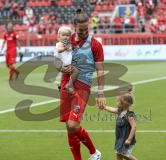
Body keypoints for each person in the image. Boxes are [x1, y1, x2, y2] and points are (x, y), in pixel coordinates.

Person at [57, 8, 106, 160]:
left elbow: (100, 70)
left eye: (86, 29)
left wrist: (101, 92)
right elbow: (58, 61)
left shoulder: (95, 44)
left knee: (73, 125)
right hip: (66, 84)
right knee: (69, 128)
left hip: (82, 87)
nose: (84, 32)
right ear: (74, 27)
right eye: (81, 30)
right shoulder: (67, 40)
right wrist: (60, 69)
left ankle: (94, 153)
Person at [99, 93, 137, 160]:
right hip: (120, 139)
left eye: (118, 101)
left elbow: (134, 127)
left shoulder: (129, 115)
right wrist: (104, 107)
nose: (116, 103)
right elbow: (112, 109)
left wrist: (129, 139)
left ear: (124, 103)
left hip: (126, 139)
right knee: (118, 154)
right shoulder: (120, 111)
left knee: (125, 155)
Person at [55, 26, 78, 94]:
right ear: (59, 36)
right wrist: (65, 48)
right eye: (63, 35)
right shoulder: (59, 44)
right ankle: (69, 85)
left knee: (68, 74)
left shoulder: (70, 44)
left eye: (67, 35)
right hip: (64, 64)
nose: (65, 37)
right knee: (75, 71)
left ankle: (62, 85)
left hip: (68, 64)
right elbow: (59, 50)